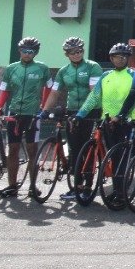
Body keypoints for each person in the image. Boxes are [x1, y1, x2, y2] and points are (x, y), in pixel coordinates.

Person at [41, 36, 103, 202]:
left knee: (88, 149)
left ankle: (88, 187)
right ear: (66, 54)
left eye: (79, 51)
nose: (76, 54)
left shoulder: (92, 67)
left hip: (91, 112)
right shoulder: (63, 71)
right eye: (72, 52)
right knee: (75, 150)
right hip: (72, 111)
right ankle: (76, 187)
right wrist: (45, 111)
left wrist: (82, 113)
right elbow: (55, 92)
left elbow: (94, 93)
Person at [0, 37, 49, 198]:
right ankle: (12, 186)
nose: (27, 54)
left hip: (33, 115)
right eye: (24, 51)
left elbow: (49, 88)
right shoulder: (11, 68)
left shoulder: (42, 68)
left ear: (35, 53)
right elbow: (5, 90)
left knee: (32, 151)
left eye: (30, 52)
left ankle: (33, 186)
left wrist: (44, 107)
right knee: (13, 149)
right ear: (20, 51)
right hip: (14, 113)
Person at [76, 43, 135, 156]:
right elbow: (94, 97)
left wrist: (122, 115)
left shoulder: (134, 75)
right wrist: (80, 114)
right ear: (111, 58)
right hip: (107, 120)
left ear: (128, 58)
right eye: (117, 57)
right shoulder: (105, 75)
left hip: (126, 121)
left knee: (124, 156)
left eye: (123, 57)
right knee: (111, 155)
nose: (120, 59)